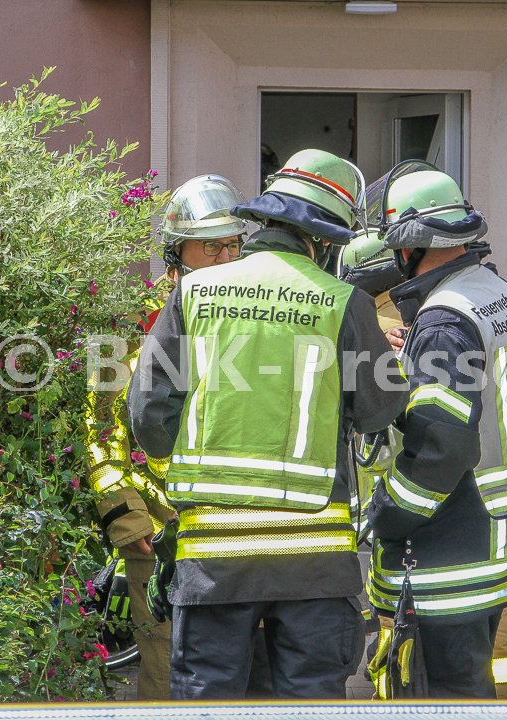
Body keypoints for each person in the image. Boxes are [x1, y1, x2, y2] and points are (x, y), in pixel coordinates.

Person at [128, 149, 408, 700]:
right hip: (315, 565)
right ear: (325, 240)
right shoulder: (345, 303)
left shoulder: (194, 293)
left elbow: (149, 416)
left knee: (209, 704)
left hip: (213, 563)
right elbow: (382, 410)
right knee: (310, 704)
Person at [363, 167, 507, 699]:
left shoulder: (444, 319)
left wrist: (390, 511)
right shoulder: (496, 291)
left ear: (407, 246)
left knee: (444, 696)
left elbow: (442, 445)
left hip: (453, 553)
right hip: (502, 534)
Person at [85, 174, 247, 700]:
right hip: (157, 538)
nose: (226, 258)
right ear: (176, 256)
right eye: (212, 246)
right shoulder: (134, 330)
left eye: (233, 245)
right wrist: (130, 524)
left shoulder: (256, 323)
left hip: (237, 534)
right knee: (165, 675)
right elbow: (100, 436)